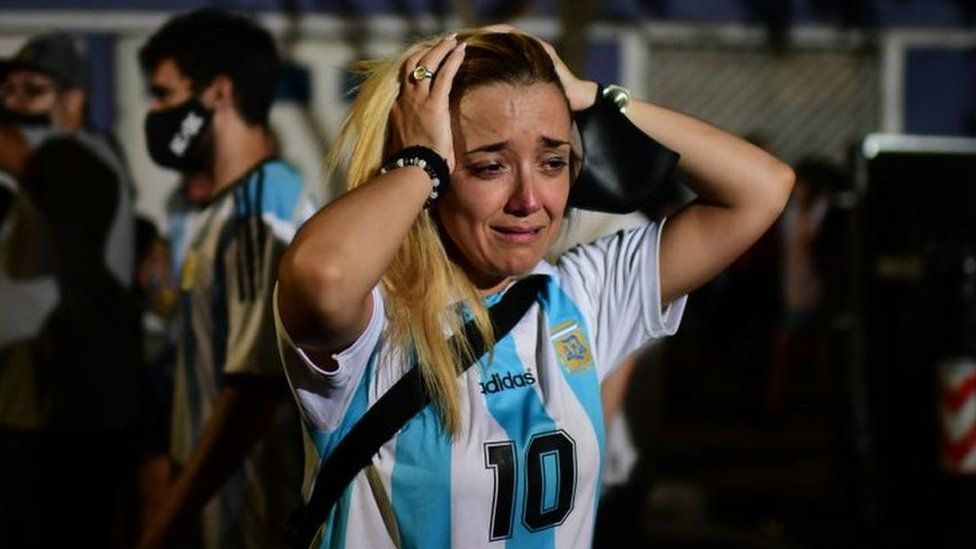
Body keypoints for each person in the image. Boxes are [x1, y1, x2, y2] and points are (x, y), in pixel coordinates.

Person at [275, 28, 794, 547]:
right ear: (434, 169)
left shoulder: (580, 296)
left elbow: (762, 188)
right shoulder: (377, 319)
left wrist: (588, 97)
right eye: (489, 166)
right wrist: (417, 161)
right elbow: (324, 277)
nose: (529, 199)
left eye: (552, 161)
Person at [135, 9, 315, 548]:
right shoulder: (228, 206)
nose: (156, 111)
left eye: (165, 94)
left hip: (249, 517)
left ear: (217, 93)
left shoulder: (260, 211)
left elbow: (253, 392)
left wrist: (171, 513)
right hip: (219, 510)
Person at [0, 33, 141, 547]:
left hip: (66, 412)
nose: (13, 103)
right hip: (35, 400)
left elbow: (21, 156)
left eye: (32, 90)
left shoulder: (77, 155)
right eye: (7, 89)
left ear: (74, 101)